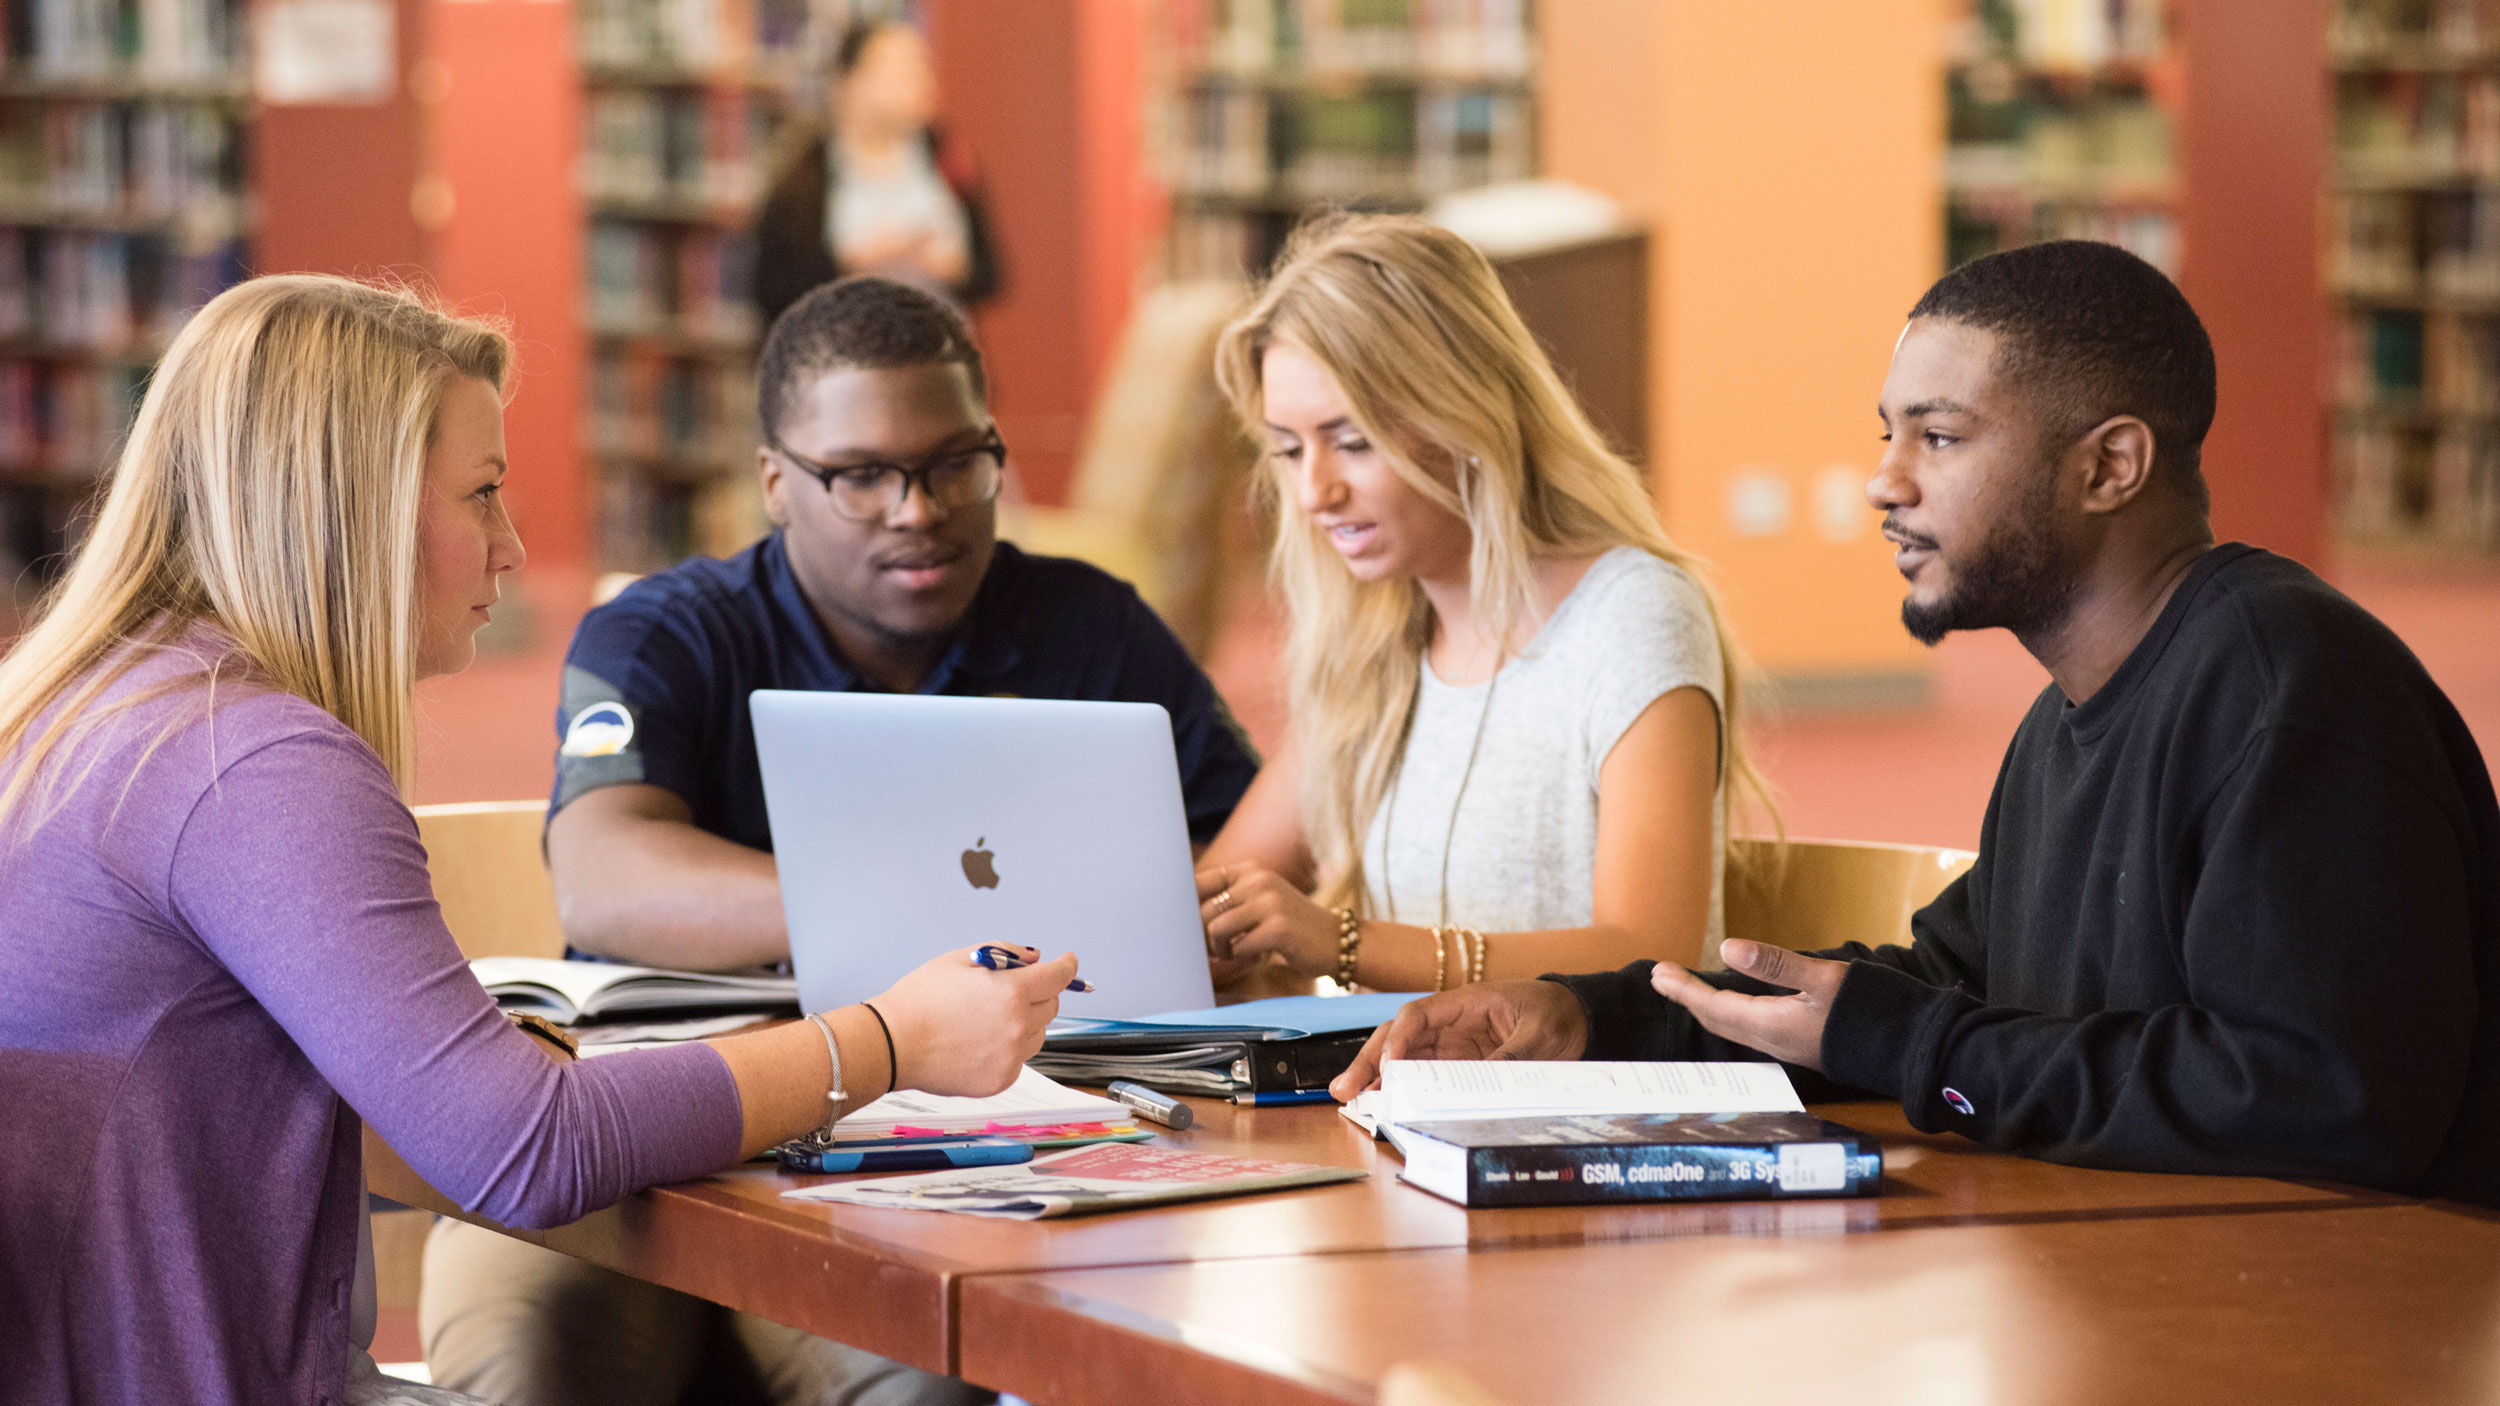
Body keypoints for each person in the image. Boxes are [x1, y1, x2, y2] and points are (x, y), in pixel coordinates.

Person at [0, 274, 1079, 1406]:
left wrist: (461, 1070)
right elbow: (526, 1151)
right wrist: (892, 1039)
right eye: (482, 493)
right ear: (352, 505)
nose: (512, 548)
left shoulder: (93, 709)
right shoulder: (253, 761)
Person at [1331, 240, 2500, 1207]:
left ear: (2110, 466)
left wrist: (1919, 1044)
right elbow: (1939, 986)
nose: (1882, 482)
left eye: (1937, 438)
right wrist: (1594, 1016)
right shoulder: (2064, 716)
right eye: (1886, 434)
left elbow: (2319, 1098)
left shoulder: (2288, 685)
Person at [417, 274, 1258, 1405]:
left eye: (956, 461)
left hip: (950, 1150)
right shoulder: (667, 629)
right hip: (633, 1144)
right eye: (860, 475)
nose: (917, 508)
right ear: (775, 480)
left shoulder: (1091, 627)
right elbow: (606, 877)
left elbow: (1241, 855)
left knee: (953, 1372)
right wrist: (918, 937)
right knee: (531, 1360)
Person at [1194, 213, 1769, 992]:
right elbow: (1224, 894)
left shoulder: (1633, 615)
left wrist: (1345, 944)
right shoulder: (1374, 640)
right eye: (1290, 451)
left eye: (1352, 440)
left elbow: (1649, 955)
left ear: (1460, 413)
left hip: (1585, 1102)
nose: (1313, 492)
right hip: (1400, 1094)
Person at [751, 20, 999, 326]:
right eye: (898, 70)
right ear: (848, 84)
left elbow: (990, 274)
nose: (920, 81)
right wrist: (853, 262)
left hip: (936, 354)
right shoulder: (803, 178)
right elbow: (770, 290)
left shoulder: (947, 156)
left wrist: (953, 268)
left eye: (922, 66)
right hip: (841, 358)